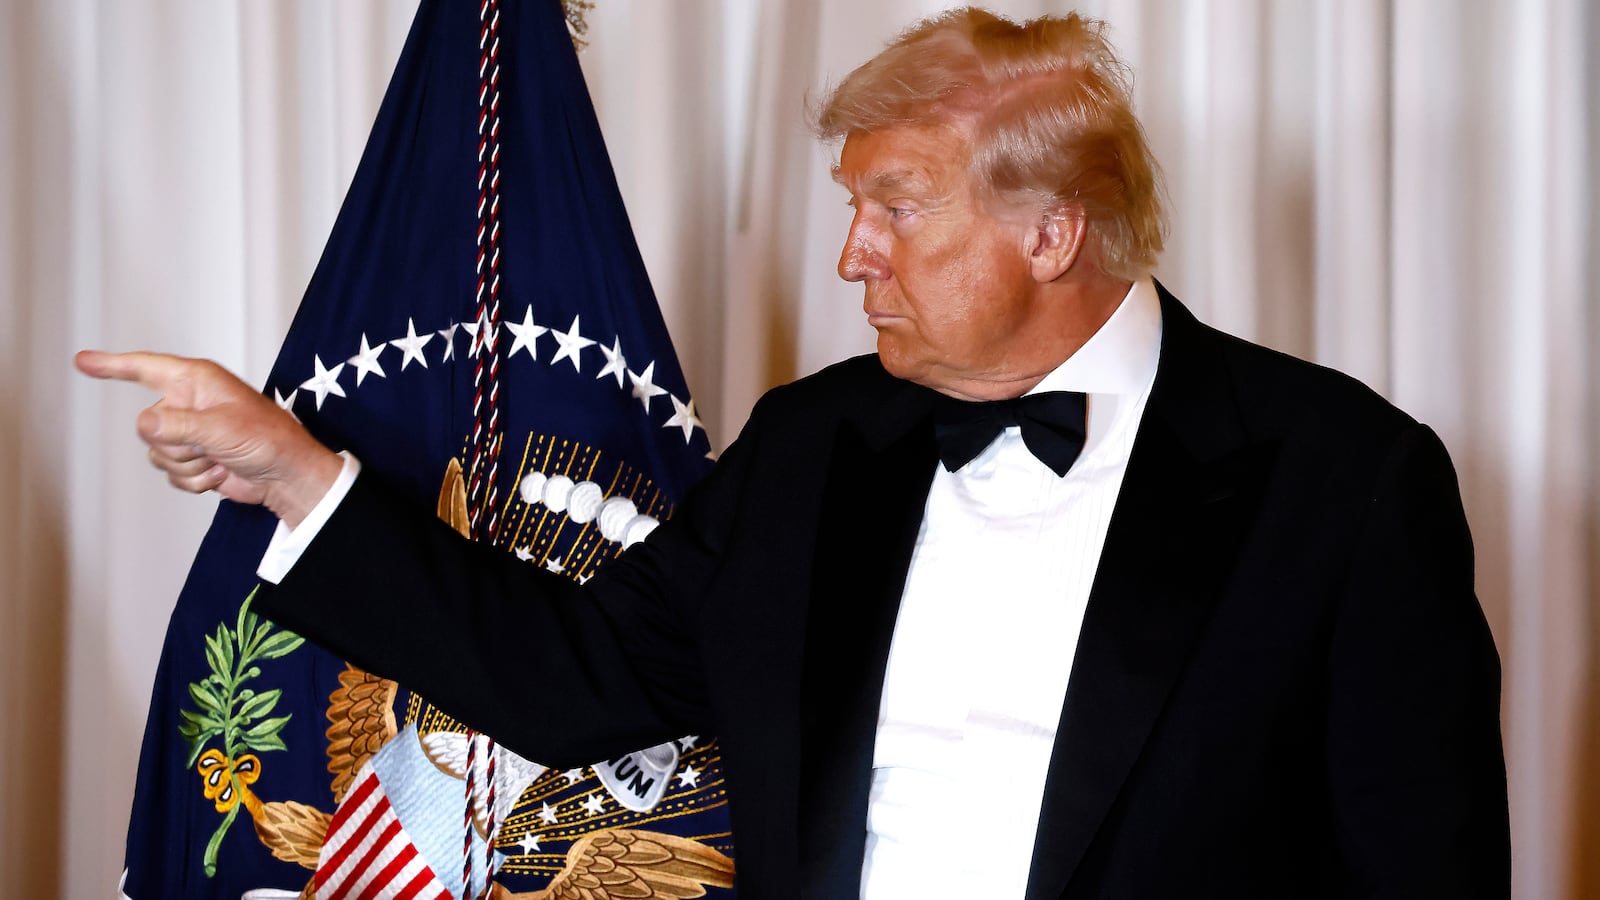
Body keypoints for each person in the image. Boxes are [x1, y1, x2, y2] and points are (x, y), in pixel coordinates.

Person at [78, 8, 1509, 898]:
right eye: (851, 209)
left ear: (1050, 231)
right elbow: (576, 683)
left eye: (895, 209)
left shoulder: (1347, 481)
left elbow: (1419, 872)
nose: (848, 256)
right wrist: (289, 473)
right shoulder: (819, 444)